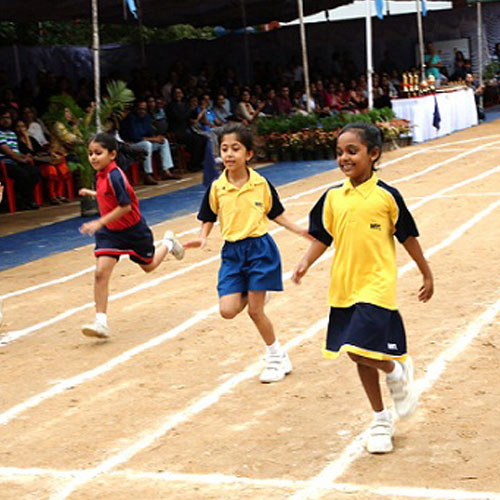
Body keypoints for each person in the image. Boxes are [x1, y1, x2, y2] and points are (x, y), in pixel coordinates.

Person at [292, 123, 434, 454]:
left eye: (352, 151)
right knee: (360, 357)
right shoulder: (332, 197)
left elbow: (408, 237)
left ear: (374, 154)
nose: (344, 157)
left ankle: (395, 370)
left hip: (377, 285)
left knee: (357, 348)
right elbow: (323, 236)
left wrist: (426, 273)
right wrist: (305, 262)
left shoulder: (387, 196)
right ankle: (381, 419)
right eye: (339, 152)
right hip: (345, 286)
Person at [184, 123, 311, 383]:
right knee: (228, 310)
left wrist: (299, 230)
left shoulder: (260, 184)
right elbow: (208, 215)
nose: (229, 154)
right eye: (224, 149)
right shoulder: (217, 187)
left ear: (249, 154)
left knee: (255, 311)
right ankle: (255, 291)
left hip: (259, 250)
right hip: (232, 254)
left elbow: (276, 213)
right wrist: (202, 237)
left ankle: (276, 357)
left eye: (235, 149)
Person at [79, 133, 185, 339]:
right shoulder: (100, 174)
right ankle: (100, 322)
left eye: (98, 153)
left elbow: (125, 206)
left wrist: (99, 222)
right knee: (100, 273)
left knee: (149, 266)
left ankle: (168, 243)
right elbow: (107, 195)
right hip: (110, 232)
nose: (93, 157)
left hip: (133, 230)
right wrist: (92, 194)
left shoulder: (115, 176)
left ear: (112, 154)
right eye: (90, 153)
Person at [120, 100, 178, 185]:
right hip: (131, 144)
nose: (142, 111)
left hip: (144, 142)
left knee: (164, 141)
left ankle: (166, 171)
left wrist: (156, 138)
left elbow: (149, 133)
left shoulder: (146, 117)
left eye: (144, 109)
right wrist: (153, 139)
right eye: (140, 109)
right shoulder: (131, 118)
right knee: (147, 145)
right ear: (136, 109)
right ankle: (147, 174)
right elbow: (135, 137)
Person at [15, 119, 71, 205]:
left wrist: (51, 153)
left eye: (23, 126)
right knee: (51, 169)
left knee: (62, 167)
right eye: (18, 127)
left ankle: (59, 194)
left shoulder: (32, 139)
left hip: (43, 160)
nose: (21, 129)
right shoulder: (16, 141)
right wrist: (26, 138)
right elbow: (30, 152)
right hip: (35, 164)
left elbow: (40, 150)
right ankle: (52, 196)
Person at [0, 109, 41, 210]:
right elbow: (7, 151)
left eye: (8, 118)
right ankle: (24, 201)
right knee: (22, 174)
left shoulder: (12, 133)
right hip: (4, 164)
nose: (6, 120)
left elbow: (16, 151)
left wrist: (24, 157)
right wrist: (21, 160)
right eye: (3, 118)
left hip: (15, 162)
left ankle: (25, 199)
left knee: (34, 171)